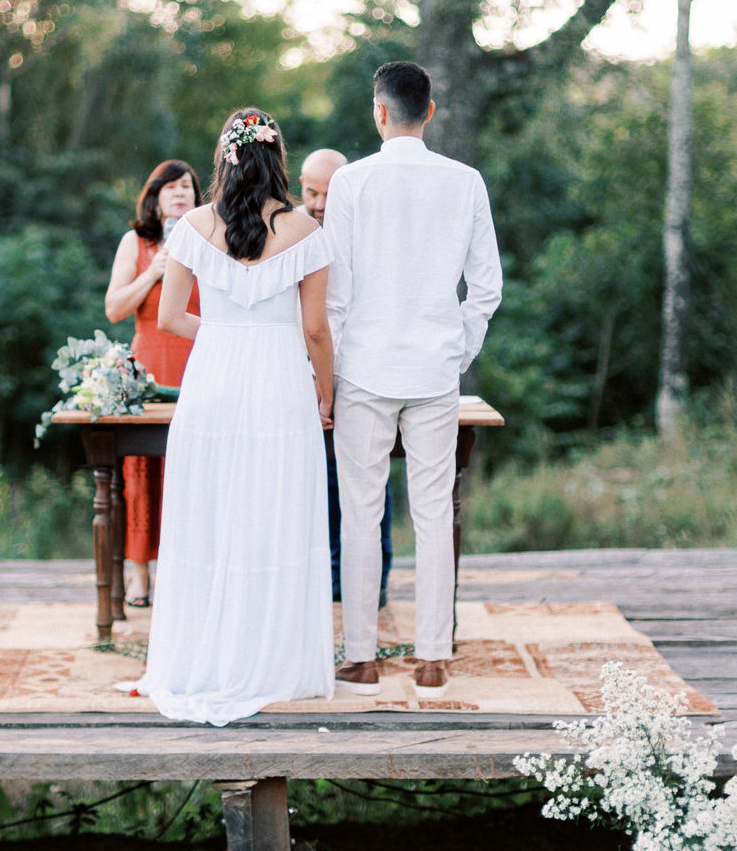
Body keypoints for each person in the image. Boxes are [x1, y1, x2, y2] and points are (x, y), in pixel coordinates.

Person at [137, 109, 335, 725]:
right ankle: (274, 661)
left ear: (223, 157)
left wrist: (226, 334)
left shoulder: (190, 228)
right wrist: (325, 394)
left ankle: (205, 657)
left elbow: (169, 319)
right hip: (281, 381)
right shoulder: (304, 228)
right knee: (276, 514)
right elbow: (314, 328)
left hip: (213, 382)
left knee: (210, 514)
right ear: (278, 158)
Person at [323, 62, 503, 696]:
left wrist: (336, 369)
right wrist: (455, 351)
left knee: (361, 516)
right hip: (433, 371)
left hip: (364, 370)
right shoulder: (465, 181)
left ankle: (363, 658)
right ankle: (432, 660)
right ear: (431, 111)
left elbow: (334, 294)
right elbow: (486, 288)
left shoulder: (350, 182)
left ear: (378, 112)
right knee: (433, 514)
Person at [104, 159, 202, 606]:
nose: (180, 193)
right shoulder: (137, 242)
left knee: (190, 470)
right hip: (149, 366)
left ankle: (181, 572)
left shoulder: (210, 239)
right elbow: (114, 309)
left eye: (187, 186)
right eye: (170, 187)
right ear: (154, 196)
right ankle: (138, 571)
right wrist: (153, 272)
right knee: (140, 472)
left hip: (198, 364)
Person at [299, 147, 393, 609]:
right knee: (311, 482)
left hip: (359, 373)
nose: (318, 203)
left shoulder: (367, 229)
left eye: (328, 193)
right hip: (300, 375)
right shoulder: (292, 229)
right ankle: (318, 579)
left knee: (365, 480)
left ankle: (370, 583)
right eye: (310, 191)